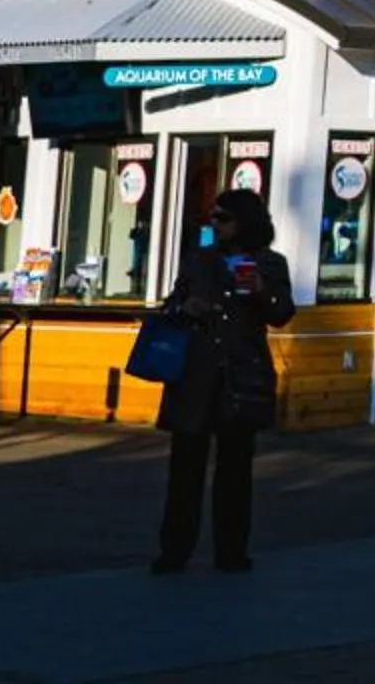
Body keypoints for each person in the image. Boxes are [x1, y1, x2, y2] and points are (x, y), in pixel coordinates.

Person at [152, 188, 295, 574]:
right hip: (196, 372)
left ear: (244, 221)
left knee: (235, 470)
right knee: (185, 468)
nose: (214, 224)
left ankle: (231, 552)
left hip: (241, 371)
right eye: (212, 217)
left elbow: (282, 313)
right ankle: (173, 551)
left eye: (223, 218)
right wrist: (185, 307)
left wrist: (260, 293)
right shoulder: (199, 260)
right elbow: (172, 304)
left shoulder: (269, 262)